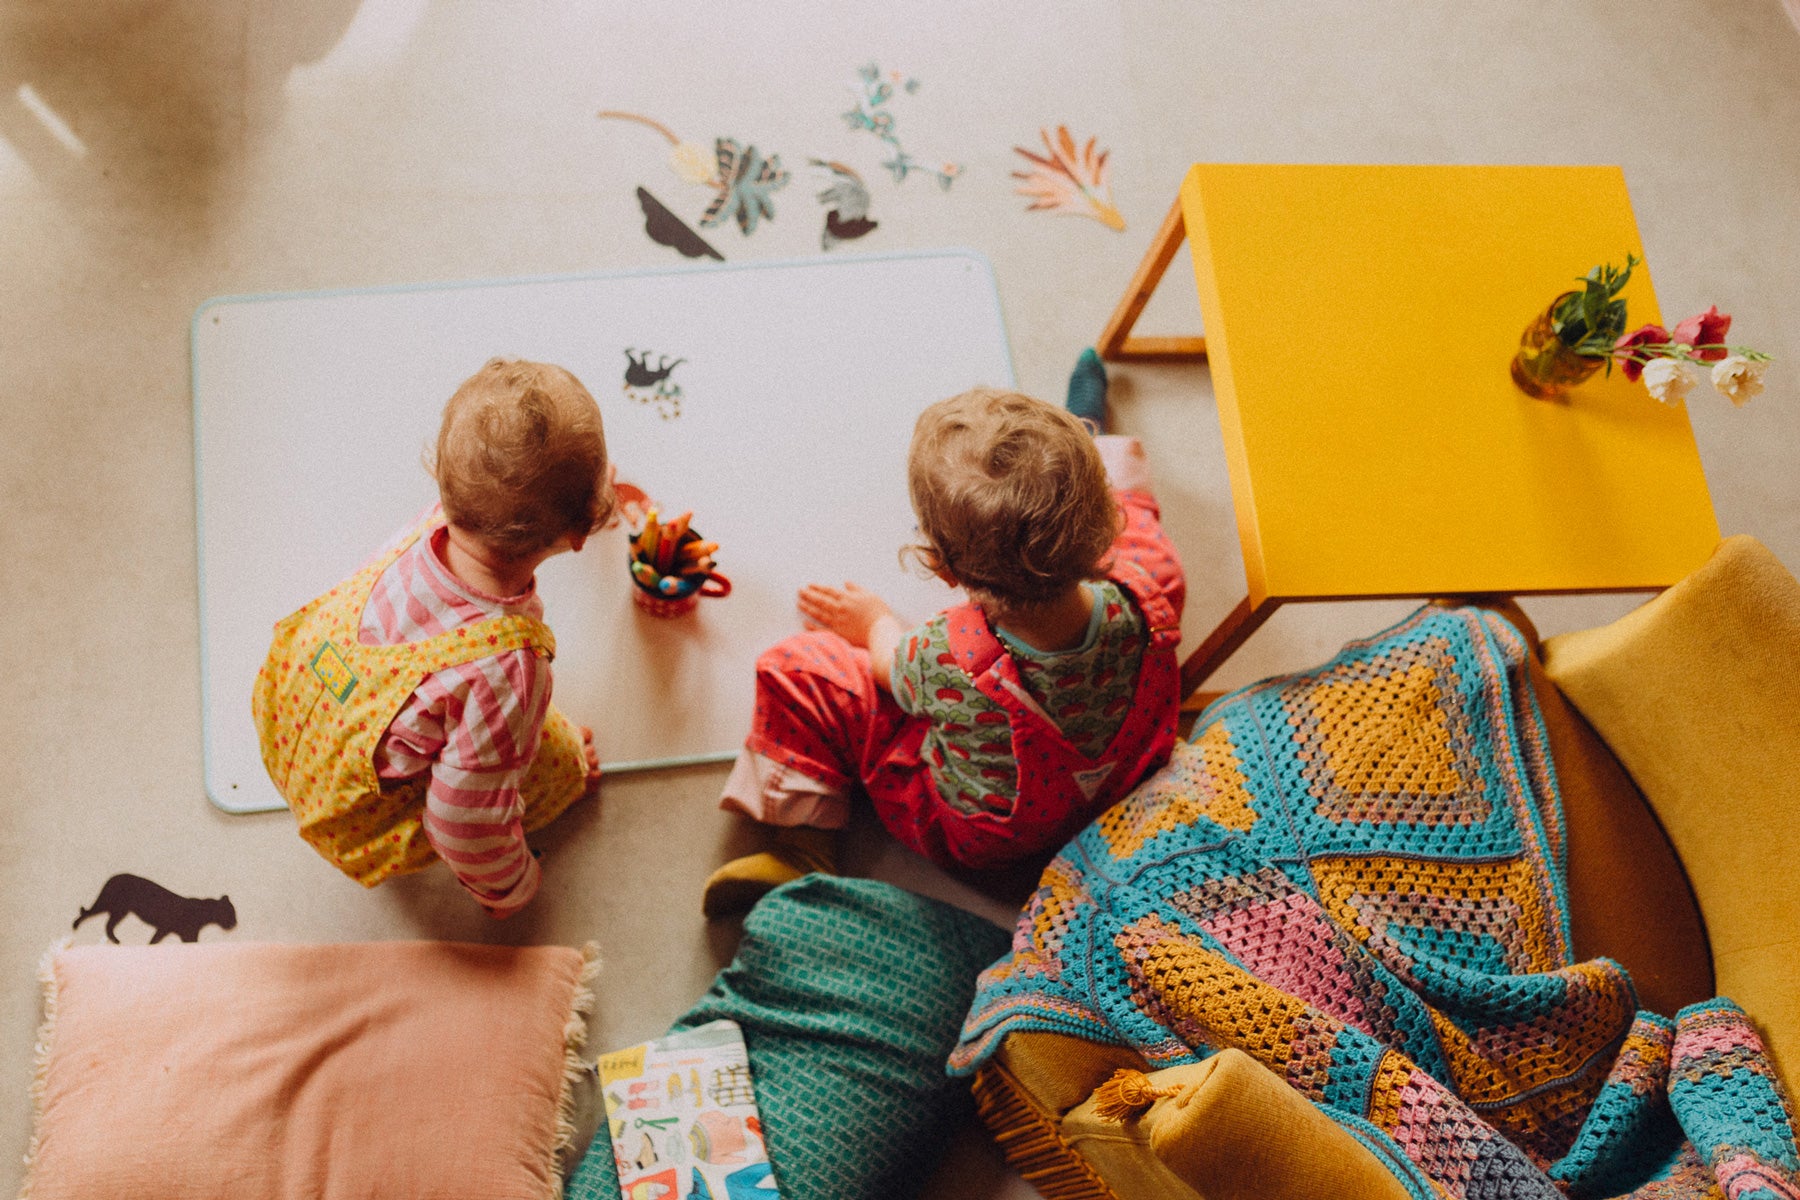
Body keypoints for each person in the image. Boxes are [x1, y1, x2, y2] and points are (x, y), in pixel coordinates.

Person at [702, 351, 1186, 916]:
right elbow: (1135, 535)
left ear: (942, 568)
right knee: (1146, 535)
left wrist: (874, 622)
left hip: (978, 839)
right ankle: (1093, 433)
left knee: (799, 667)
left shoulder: (941, 656)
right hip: (1119, 792)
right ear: (1101, 522)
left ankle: (805, 844)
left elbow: (888, 666)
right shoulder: (1152, 585)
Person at [254, 357, 614, 918]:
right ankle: (551, 787)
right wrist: (508, 885)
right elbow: (461, 819)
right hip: (352, 811)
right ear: (581, 529)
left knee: (481, 724)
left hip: (294, 718)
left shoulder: (439, 519)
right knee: (562, 758)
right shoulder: (509, 667)